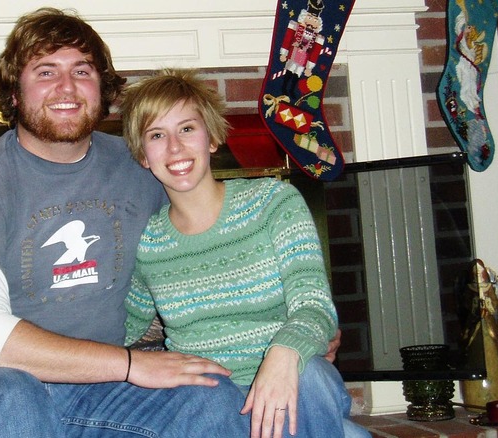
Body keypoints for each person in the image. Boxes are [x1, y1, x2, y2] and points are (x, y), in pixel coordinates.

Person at [0, 8, 254, 437]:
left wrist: (290, 325)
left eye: (82, 71)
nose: (66, 87)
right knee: (14, 399)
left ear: (102, 88)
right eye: (46, 71)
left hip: (95, 385)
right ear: (15, 93)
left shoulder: (142, 165)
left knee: (209, 396)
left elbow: (214, 240)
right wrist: (130, 365)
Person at [120, 68, 370, 438]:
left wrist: (283, 354)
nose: (175, 147)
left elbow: (315, 305)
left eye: (187, 129)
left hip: (296, 389)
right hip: (211, 408)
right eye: (157, 135)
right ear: (143, 155)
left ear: (211, 138)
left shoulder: (273, 203)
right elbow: (121, 328)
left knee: (312, 374)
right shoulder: (149, 244)